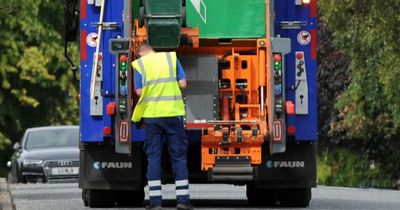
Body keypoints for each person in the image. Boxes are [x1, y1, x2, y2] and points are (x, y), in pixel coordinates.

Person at [131, 43, 193, 210]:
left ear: (140, 53)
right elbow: (183, 84)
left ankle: (155, 202)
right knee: (178, 157)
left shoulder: (140, 64)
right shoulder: (170, 58)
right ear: (153, 49)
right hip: (173, 114)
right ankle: (182, 200)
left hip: (152, 117)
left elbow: (138, 92)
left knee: (154, 158)